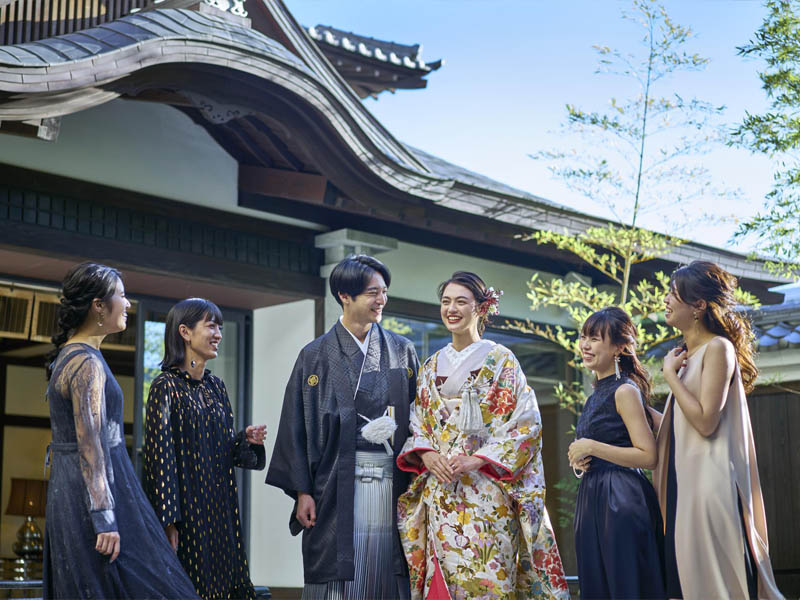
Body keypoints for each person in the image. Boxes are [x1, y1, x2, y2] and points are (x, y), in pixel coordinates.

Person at [396, 271, 568, 600]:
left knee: (490, 577)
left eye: (462, 301)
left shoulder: (502, 361)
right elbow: (417, 419)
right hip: (443, 492)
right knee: (443, 579)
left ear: (481, 307)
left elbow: (526, 423)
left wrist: (476, 460)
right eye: (446, 302)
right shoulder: (430, 366)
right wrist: (428, 455)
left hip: (486, 492)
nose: (452, 309)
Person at [266, 255, 420, 599]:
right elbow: (296, 425)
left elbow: (421, 420)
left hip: (391, 485)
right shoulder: (315, 355)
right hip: (334, 487)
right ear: (344, 296)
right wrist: (302, 490)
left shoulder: (401, 351)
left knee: (387, 570)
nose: (380, 300)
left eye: (383, 292)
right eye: (371, 293)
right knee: (336, 575)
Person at [43, 262, 198, 600]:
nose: (128, 304)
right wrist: (104, 517)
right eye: (122, 296)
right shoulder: (85, 363)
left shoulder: (74, 357)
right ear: (98, 306)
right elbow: (91, 443)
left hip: (80, 489)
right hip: (98, 494)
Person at [654, 260, 782, 599]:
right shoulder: (685, 356)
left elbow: (706, 421)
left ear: (697, 305)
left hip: (712, 489)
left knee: (717, 585)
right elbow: (679, 426)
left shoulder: (717, 349)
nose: (665, 300)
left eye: (673, 293)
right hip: (687, 488)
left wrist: (668, 376)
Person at [143, 298, 266, 600]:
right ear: (184, 332)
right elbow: (161, 459)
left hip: (220, 511)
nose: (218, 334)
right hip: (186, 514)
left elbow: (227, 451)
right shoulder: (164, 386)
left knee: (226, 586)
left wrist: (245, 440)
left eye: (220, 327)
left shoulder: (217, 387)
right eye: (211, 325)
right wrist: (168, 522)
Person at [567, 307, 665, 599]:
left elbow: (648, 455)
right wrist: (581, 459)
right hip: (593, 496)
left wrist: (593, 447)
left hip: (621, 499)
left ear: (620, 347)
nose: (585, 345)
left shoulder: (625, 391)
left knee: (626, 584)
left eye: (595, 338)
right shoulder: (594, 395)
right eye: (583, 337)